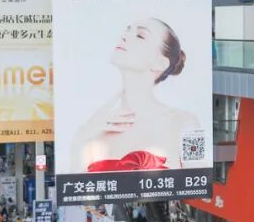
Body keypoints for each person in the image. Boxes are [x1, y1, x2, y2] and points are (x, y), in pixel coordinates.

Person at [70, 18, 201, 173]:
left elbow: (200, 176)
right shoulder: (94, 126)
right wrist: (81, 140)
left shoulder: (187, 123)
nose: (125, 36)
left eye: (140, 35)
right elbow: (75, 183)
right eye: (127, 30)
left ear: (160, 63)